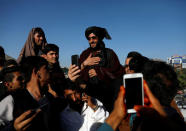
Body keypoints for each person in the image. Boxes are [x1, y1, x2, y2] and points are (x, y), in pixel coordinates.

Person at [0, 56, 60, 131]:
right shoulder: (12, 100)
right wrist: (13, 128)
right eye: (46, 68)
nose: (49, 71)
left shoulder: (50, 97)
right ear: (36, 73)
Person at [79, 26, 124, 112]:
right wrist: (85, 64)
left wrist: (99, 72)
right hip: (90, 98)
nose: (91, 41)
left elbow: (118, 73)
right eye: (89, 39)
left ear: (99, 38)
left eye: (94, 38)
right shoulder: (85, 54)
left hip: (109, 97)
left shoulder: (109, 53)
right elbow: (77, 72)